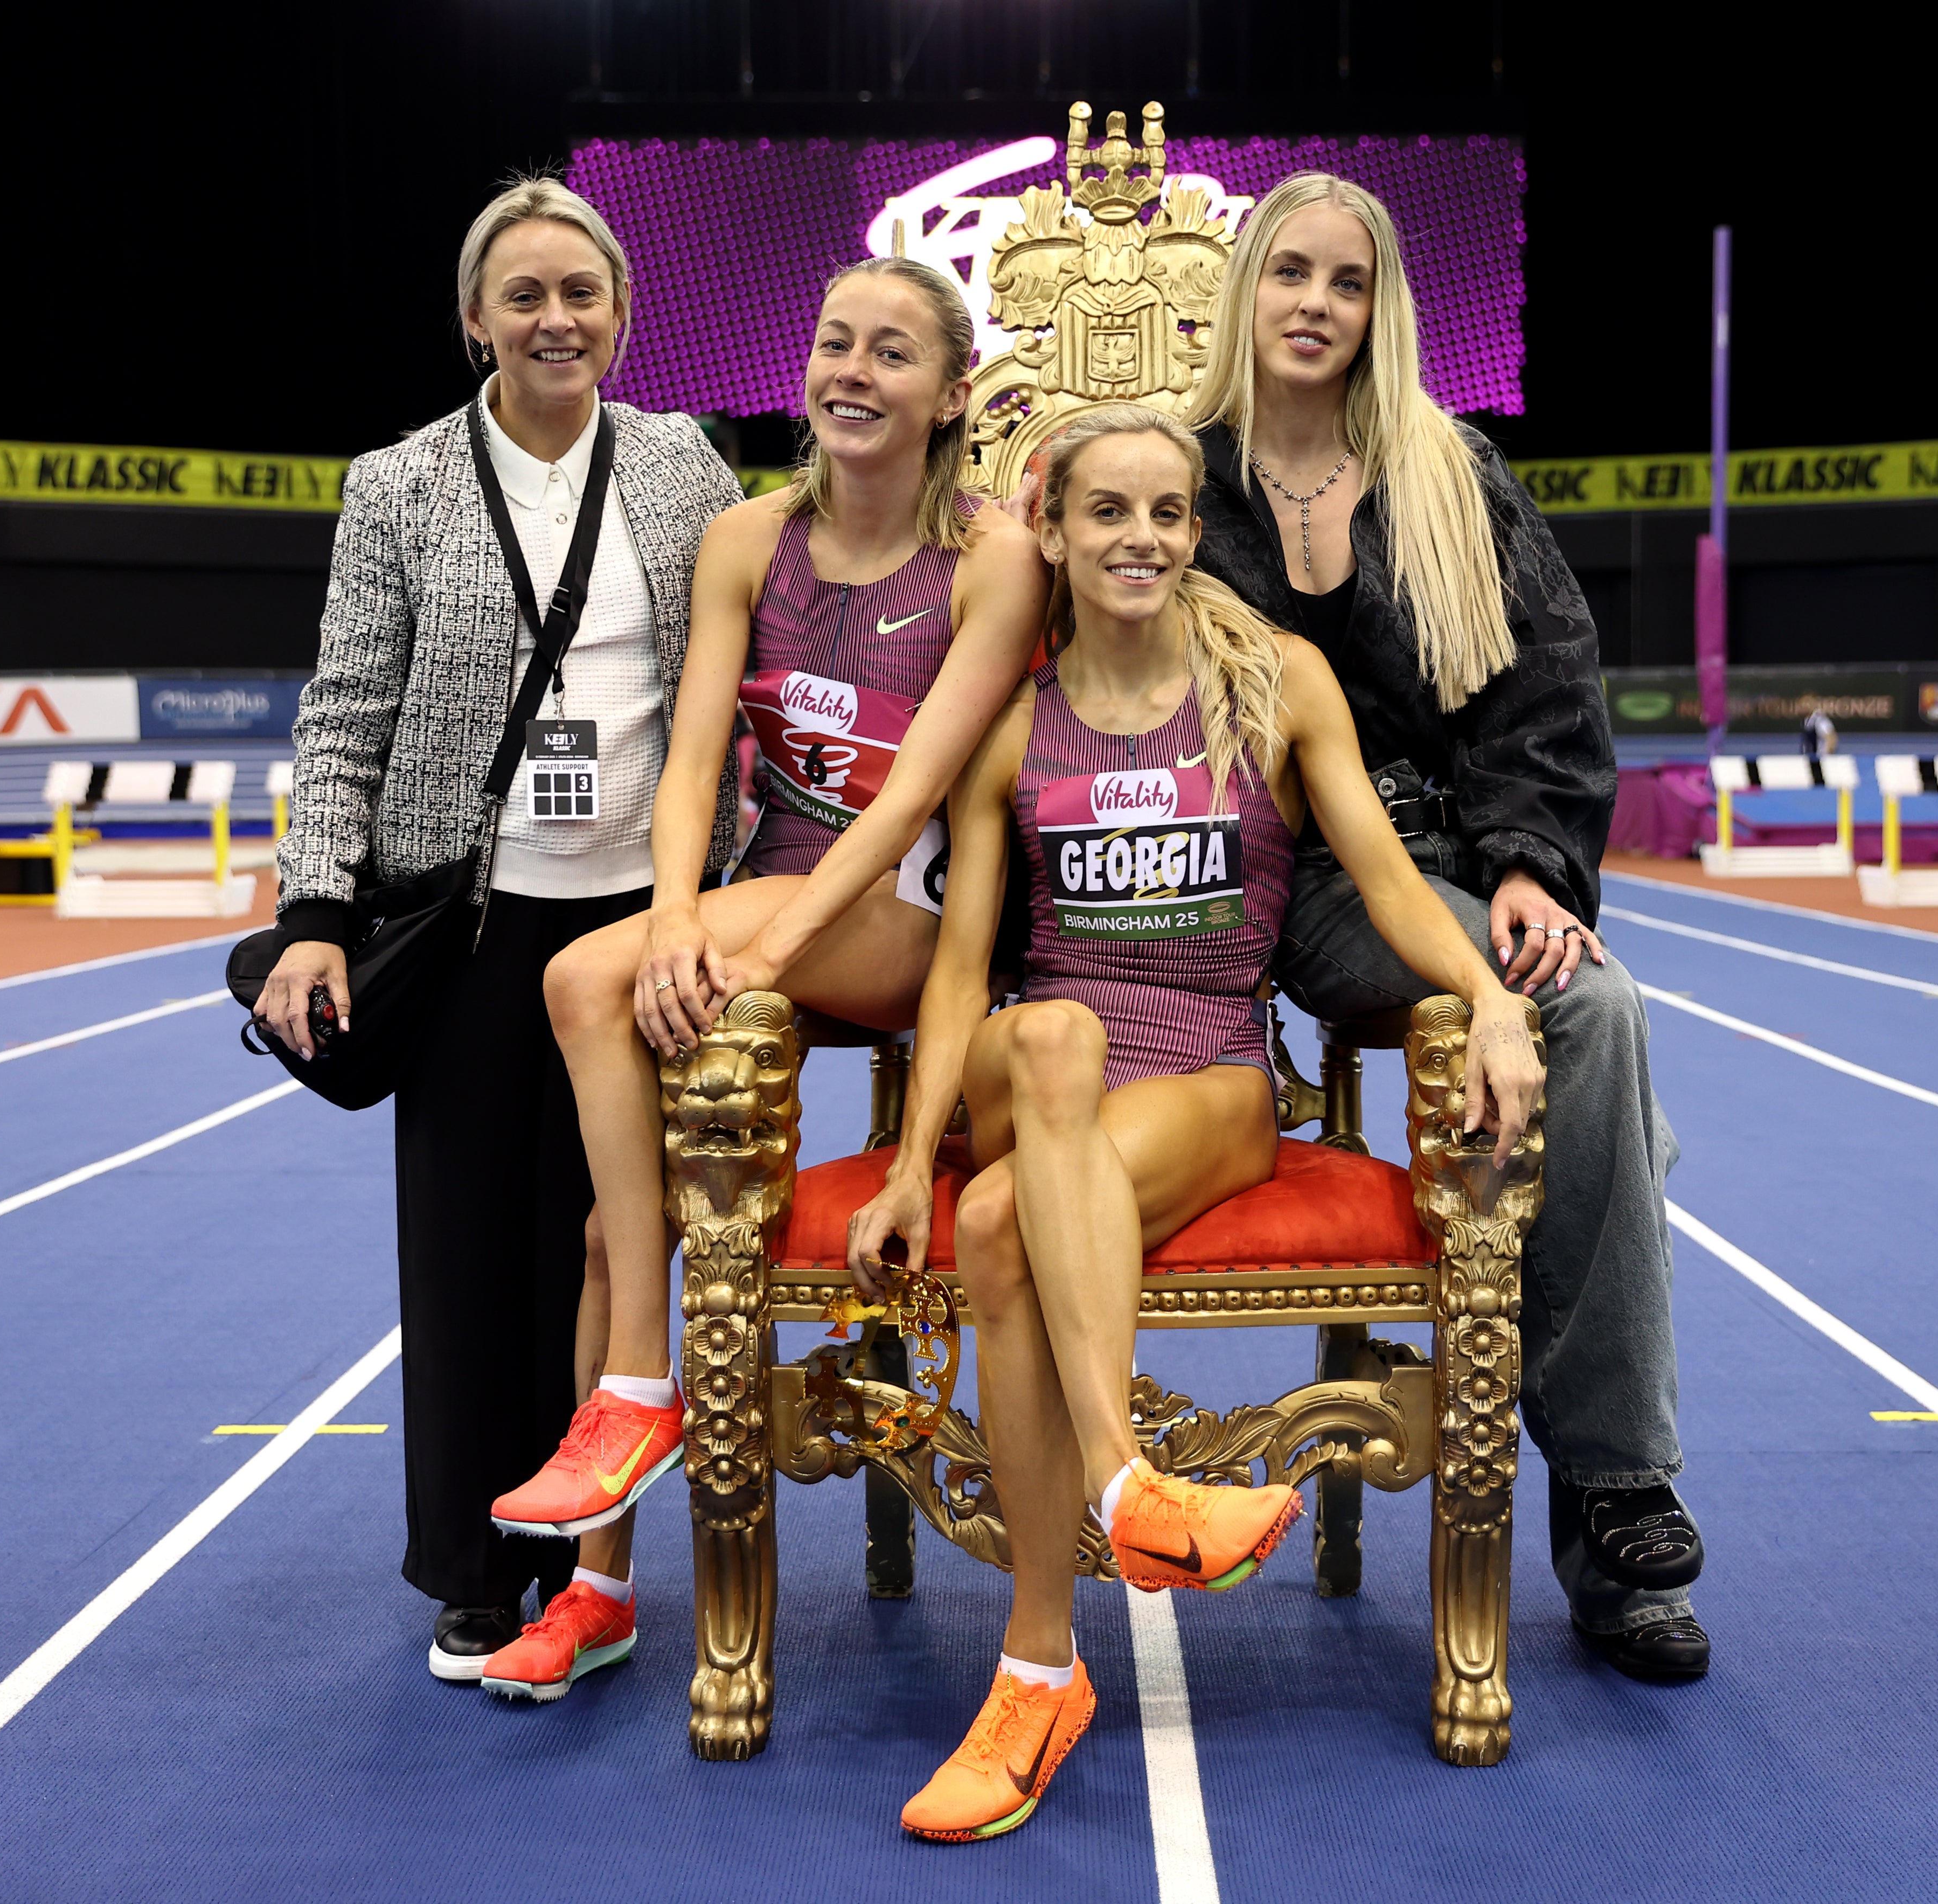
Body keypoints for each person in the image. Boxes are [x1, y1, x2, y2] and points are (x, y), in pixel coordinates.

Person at [843, 404, 1534, 1842]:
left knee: (998, 1221)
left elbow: (1389, 879)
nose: (1142, 538)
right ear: (1053, 528)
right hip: (1040, 1078)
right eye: (1108, 511)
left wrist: (1489, 992)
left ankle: (1038, 1666)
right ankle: (1120, 1496)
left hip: (1213, 1079)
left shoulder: (1276, 682)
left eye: (1167, 512)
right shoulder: (1009, 728)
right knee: (1045, 1037)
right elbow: (961, 962)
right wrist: (909, 1156)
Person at [475, 257, 1047, 1701]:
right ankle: (600, 1574)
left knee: (590, 983)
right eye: (834, 341)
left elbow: (913, 798)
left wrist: (754, 949)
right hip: (761, 909)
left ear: (947, 395)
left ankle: (634, 1386)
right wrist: (678, 914)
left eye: (892, 354)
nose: (852, 371)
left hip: (909, 923)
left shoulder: (991, 562)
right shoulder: (742, 540)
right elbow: (687, 764)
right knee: (617, 1192)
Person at [1179, 172, 1712, 1681]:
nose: (1310, 303)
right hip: (1253, 873)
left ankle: (1616, 1501)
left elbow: (1544, 685)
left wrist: (1533, 863)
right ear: (1244, 291)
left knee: (1592, 1011)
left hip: (1435, 862)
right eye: (1285, 271)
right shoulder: (1174, 475)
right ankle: (1616, 1486)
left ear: (1377, 308)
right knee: (1599, 1097)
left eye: (1343, 281)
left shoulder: (1448, 473)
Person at [252, 176, 742, 1686]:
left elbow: (741, 667)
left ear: (621, 313)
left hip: (640, 922)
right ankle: (480, 1566)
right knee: (469, 1257)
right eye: (522, 295)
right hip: (464, 922)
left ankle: (594, 1567)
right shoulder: (396, 484)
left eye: (578, 293)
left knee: (606, 1246)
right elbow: (345, 712)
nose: (553, 318)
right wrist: (313, 913)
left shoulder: (682, 467)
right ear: (475, 319)